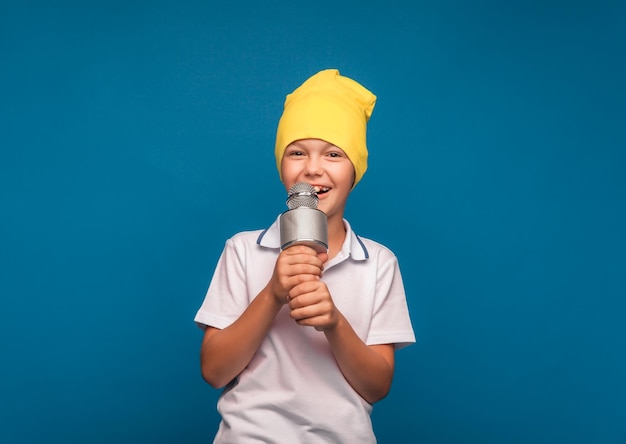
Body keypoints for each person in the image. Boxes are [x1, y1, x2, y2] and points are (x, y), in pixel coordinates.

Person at [194, 69, 415, 443]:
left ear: (354, 170)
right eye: (297, 152)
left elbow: (377, 386)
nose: (313, 168)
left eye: (333, 154)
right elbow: (214, 371)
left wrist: (334, 323)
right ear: (282, 166)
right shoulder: (243, 250)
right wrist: (272, 294)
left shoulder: (379, 263)